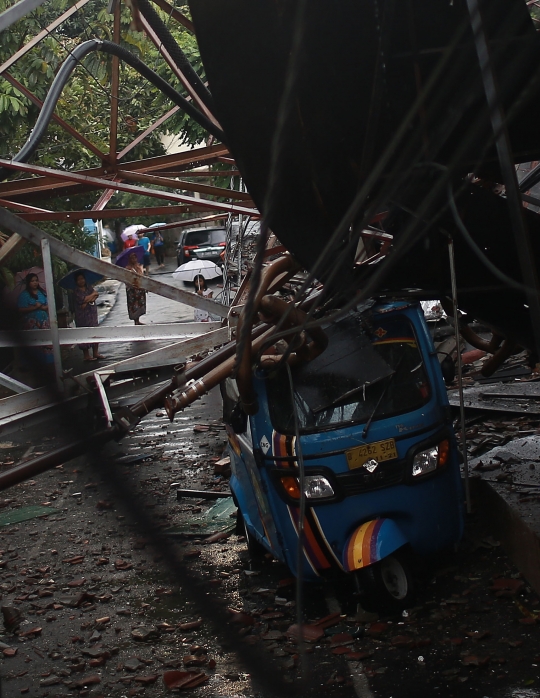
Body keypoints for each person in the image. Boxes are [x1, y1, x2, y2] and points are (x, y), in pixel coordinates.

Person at [17, 273, 54, 364]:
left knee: (45, 341)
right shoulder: (24, 295)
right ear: (28, 282)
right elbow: (21, 309)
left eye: (36, 280)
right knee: (34, 342)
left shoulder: (42, 293)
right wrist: (34, 308)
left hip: (44, 322)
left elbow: (48, 305)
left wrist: (40, 307)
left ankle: (48, 361)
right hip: (32, 324)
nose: (35, 283)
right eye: (32, 281)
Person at [73, 271, 104, 362]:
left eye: (82, 279)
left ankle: (95, 352)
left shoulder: (89, 288)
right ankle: (86, 355)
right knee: (84, 332)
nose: (81, 281)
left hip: (92, 313)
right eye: (78, 279)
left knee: (95, 331)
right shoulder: (76, 291)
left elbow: (96, 294)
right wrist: (90, 297)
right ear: (76, 281)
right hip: (82, 315)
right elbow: (83, 299)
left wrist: (86, 301)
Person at [125, 251, 147, 324]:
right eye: (132, 258)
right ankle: (136, 321)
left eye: (135, 258)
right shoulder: (128, 268)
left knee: (140, 304)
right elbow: (126, 279)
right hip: (132, 290)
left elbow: (142, 276)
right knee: (134, 305)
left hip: (140, 289)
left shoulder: (138, 266)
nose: (134, 260)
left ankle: (138, 320)